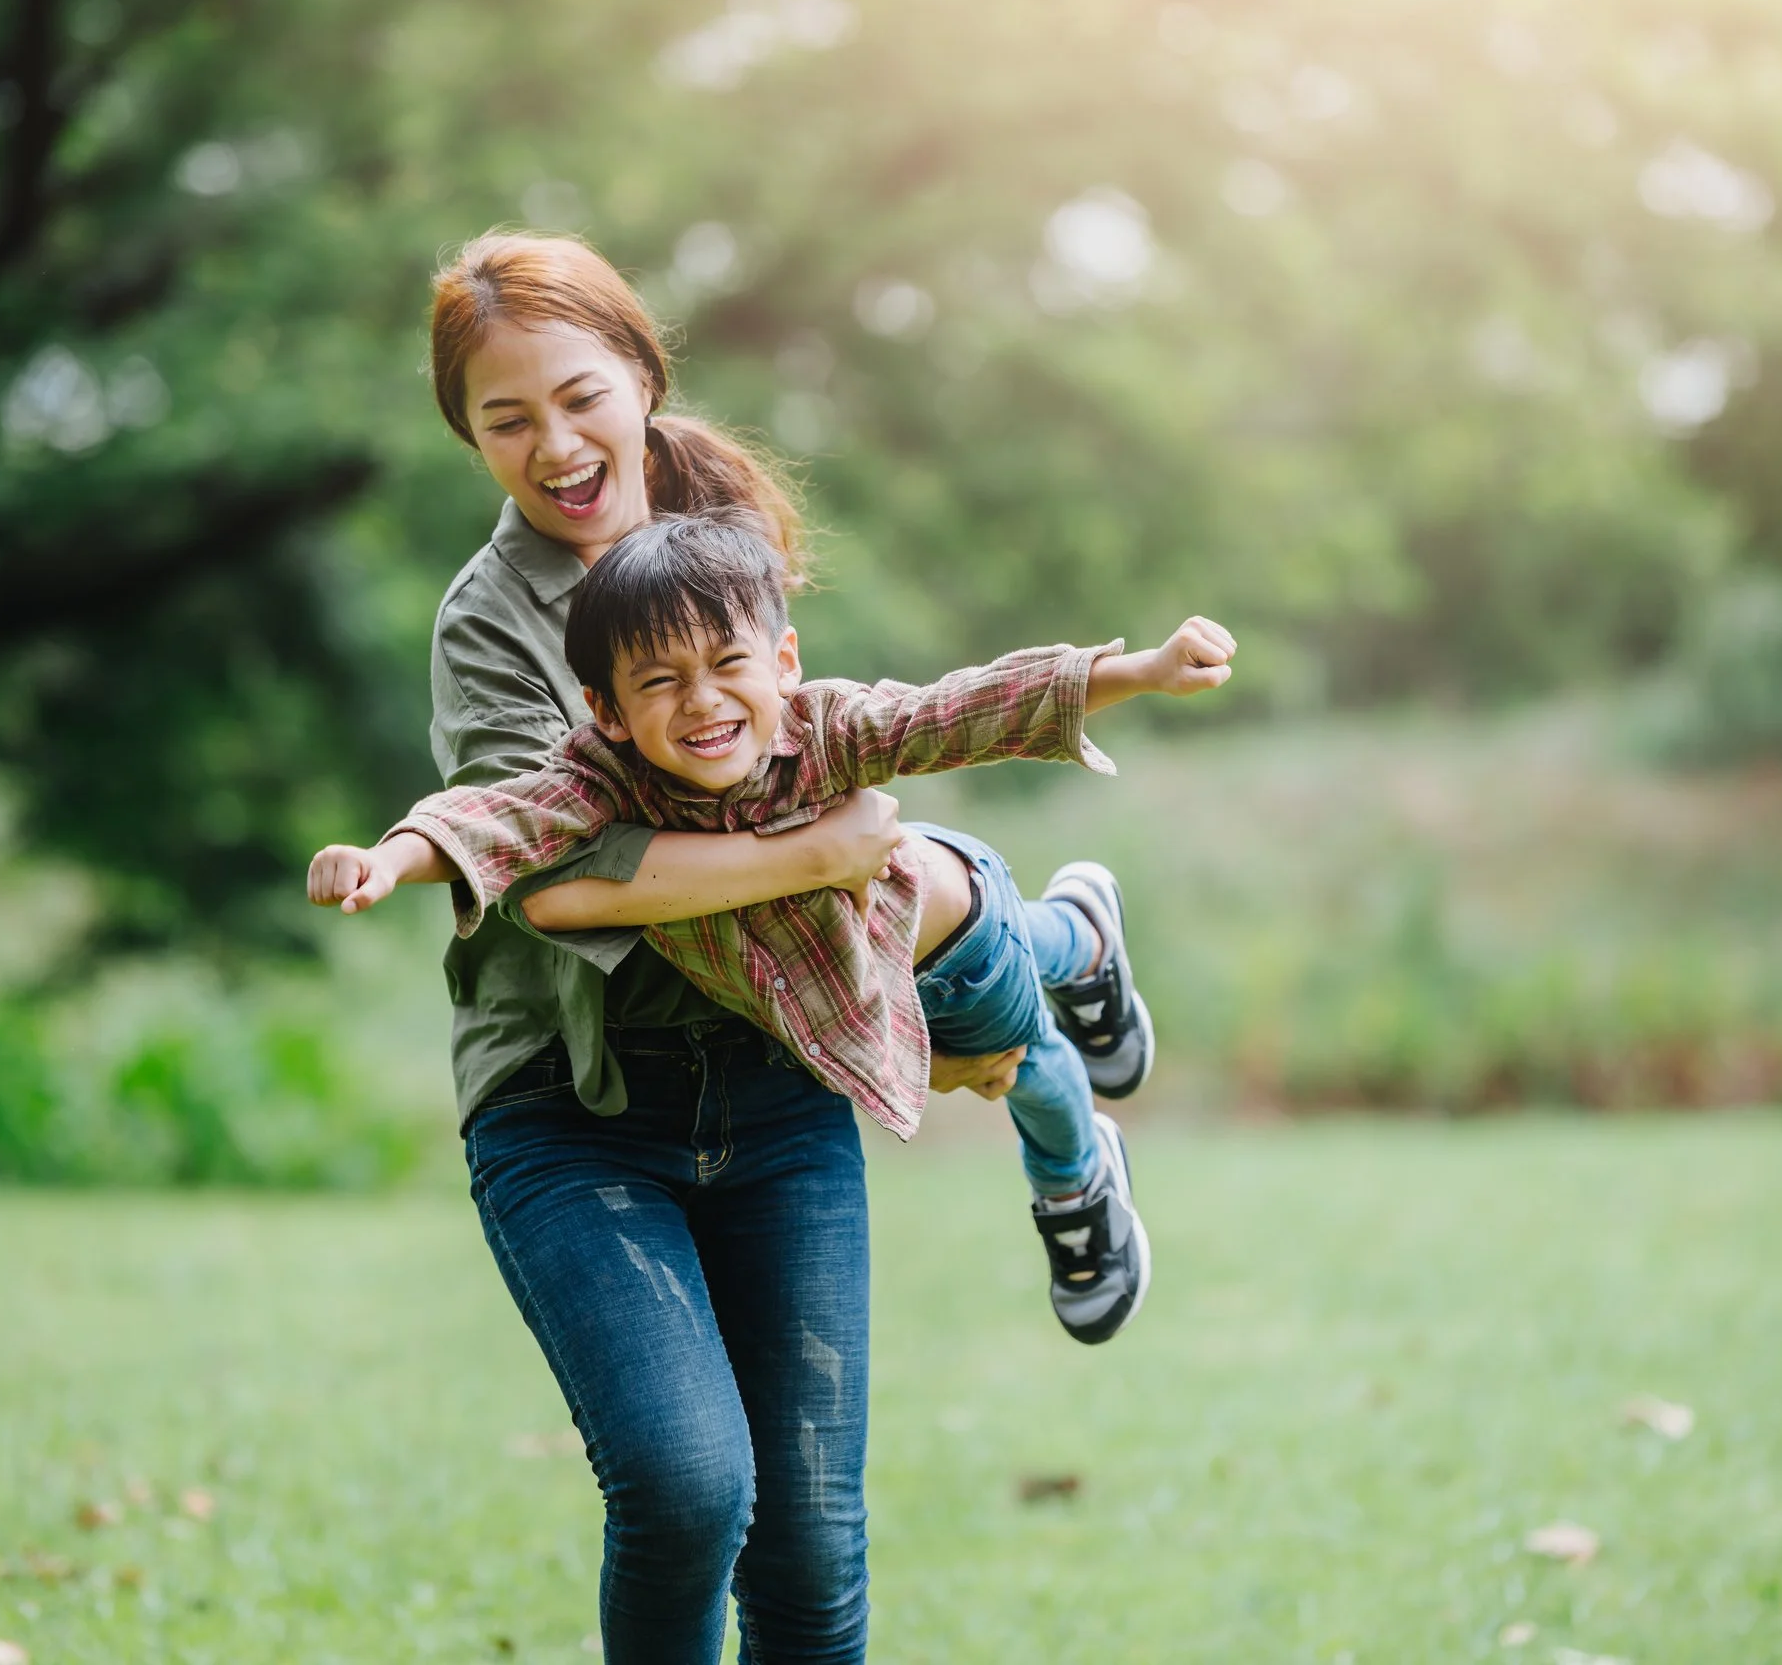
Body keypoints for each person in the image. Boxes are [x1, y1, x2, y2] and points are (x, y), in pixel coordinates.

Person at [329, 228, 1151, 1664]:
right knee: (688, 1486)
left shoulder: (719, 529)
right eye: (504, 420)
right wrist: (810, 859)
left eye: (579, 396)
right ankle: (1063, 966)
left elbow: (865, 729)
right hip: (577, 1108)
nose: (555, 446)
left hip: (772, 1085)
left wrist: (1101, 682)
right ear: (466, 437)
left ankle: (1061, 991)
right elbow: (556, 859)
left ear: (640, 376)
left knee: (814, 1551)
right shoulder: (491, 623)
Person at [313, 512, 1236, 1340]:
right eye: (661, 682)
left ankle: (1077, 1178)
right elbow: (496, 818)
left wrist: (1142, 671)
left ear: (783, 661)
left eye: (727, 665)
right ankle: (1082, 932)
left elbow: (962, 709)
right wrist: (386, 859)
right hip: (873, 963)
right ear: (606, 709)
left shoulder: (827, 727)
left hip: (946, 941)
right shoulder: (600, 782)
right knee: (1037, 968)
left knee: (1026, 1063)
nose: (703, 700)